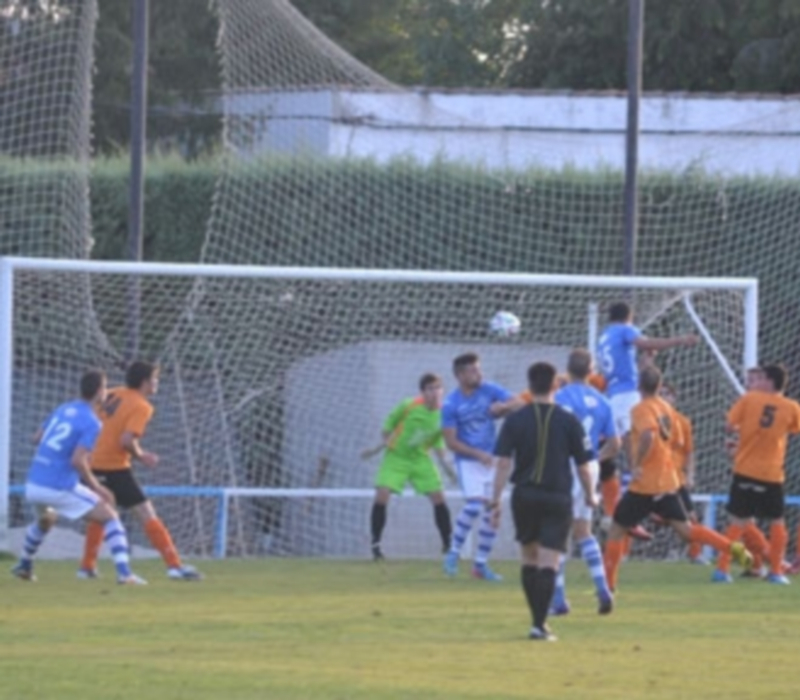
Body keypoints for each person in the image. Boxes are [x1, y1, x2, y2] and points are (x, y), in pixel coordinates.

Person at [603, 366, 752, 594]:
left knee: (616, 529)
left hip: (645, 484)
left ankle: (608, 587)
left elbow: (647, 435)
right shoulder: (668, 410)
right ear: (658, 385)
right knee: (687, 531)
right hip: (668, 480)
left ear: (639, 386)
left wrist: (637, 464)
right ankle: (731, 547)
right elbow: (676, 443)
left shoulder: (641, 409)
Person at [490, 361, 596, 641]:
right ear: (555, 385)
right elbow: (584, 466)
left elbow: (502, 463)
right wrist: (590, 495)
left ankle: (537, 622)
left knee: (529, 559)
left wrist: (495, 500)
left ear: (529, 384)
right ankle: (539, 624)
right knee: (550, 562)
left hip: (523, 496)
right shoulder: (568, 420)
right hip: (557, 497)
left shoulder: (515, 420)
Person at [12, 370, 146, 585]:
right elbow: (77, 461)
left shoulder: (63, 409)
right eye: (105, 387)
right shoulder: (92, 422)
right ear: (100, 392)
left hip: (35, 483)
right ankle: (125, 574)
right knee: (110, 516)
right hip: (58, 485)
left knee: (47, 519)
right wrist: (96, 486)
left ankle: (25, 564)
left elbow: (36, 438)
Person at [78, 361, 201, 581]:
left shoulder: (112, 393)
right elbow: (126, 440)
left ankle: (87, 567)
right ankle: (174, 566)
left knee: (100, 516)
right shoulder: (142, 406)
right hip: (114, 467)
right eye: (154, 378)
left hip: (91, 463)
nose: (157, 383)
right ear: (145, 382)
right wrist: (141, 455)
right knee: (146, 513)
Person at [596, 301, 697, 536]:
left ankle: (634, 502)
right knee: (636, 439)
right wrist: (679, 340)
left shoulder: (604, 336)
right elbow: (645, 343)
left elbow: (626, 366)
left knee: (618, 446)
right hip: (625, 395)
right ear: (629, 318)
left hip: (614, 396)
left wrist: (646, 362)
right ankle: (640, 493)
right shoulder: (624, 330)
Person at [713, 363, 800, 585]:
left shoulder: (749, 399)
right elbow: (794, 429)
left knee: (737, 523)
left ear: (769, 381)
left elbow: (728, 425)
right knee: (777, 522)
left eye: (761, 378)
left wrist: (743, 435)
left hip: (744, 470)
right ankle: (777, 572)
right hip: (771, 473)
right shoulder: (791, 407)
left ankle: (722, 570)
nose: (757, 382)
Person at [550, 349, 621, 615]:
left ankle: (558, 599)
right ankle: (602, 587)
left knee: (557, 533)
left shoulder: (558, 398)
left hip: (564, 466)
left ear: (567, 370)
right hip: (589, 466)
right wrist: (592, 458)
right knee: (584, 532)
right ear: (591, 371)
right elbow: (615, 445)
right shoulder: (603, 401)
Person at [362, 373, 456, 560]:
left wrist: (449, 470)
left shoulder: (445, 414)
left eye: (438, 388)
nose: (435, 392)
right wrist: (380, 444)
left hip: (420, 459)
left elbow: (439, 446)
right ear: (422, 392)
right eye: (430, 389)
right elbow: (388, 426)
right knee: (382, 494)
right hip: (396, 457)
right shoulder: (408, 405)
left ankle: (448, 545)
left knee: (438, 497)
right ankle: (376, 545)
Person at [441, 352, 516, 581]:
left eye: (479, 369)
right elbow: (451, 442)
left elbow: (520, 403)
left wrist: (502, 408)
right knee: (474, 506)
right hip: (469, 462)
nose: (479, 374)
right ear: (460, 375)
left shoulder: (488, 389)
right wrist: (477, 454)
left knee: (494, 511)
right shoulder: (451, 404)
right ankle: (453, 552)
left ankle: (480, 565)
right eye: (473, 370)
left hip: (492, 460)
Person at [658, 382, 707, 564]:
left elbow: (689, 451)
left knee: (691, 517)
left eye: (667, 394)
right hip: (655, 479)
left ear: (674, 398)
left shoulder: (683, 422)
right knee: (631, 518)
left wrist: (690, 474)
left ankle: (695, 553)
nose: (664, 397)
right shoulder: (650, 417)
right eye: (661, 393)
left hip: (676, 478)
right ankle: (622, 554)